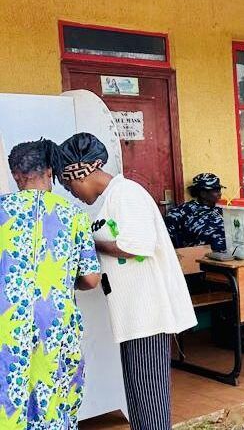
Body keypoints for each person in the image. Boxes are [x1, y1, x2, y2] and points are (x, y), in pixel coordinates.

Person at [57, 133, 197, 429]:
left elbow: (137, 246)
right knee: (137, 398)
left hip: (148, 314)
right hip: (131, 316)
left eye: (71, 187)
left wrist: (91, 243)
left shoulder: (127, 194)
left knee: (151, 401)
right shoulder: (111, 200)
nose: (74, 194)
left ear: (83, 175)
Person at [0, 140, 101, 429]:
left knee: (8, 396)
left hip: (6, 327)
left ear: (16, 175)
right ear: (49, 172)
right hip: (56, 326)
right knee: (53, 398)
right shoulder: (74, 216)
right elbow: (91, 279)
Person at [165, 173, 226, 252]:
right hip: (200, 258)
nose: (220, 194)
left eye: (219, 190)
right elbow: (168, 238)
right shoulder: (183, 211)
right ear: (203, 194)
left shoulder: (222, 209)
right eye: (215, 191)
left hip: (229, 258)